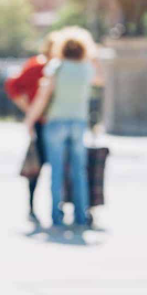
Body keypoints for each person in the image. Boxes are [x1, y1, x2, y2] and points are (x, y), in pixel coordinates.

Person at [25, 27, 97, 227]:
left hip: (55, 122)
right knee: (79, 171)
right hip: (79, 122)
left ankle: (56, 216)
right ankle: (81, 215)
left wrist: (30, 120)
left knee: (56, 170)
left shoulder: (56, 67)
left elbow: (42, 97)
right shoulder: (87, 69)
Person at [4, 32, 58, 223]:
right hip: (43, 123)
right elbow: (12, 85)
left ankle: (42, 207)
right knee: (39, 165)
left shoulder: (55, 66)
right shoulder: (39, 65)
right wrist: (30, 111)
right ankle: (33, 207)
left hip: (48, 122)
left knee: (45, 166)